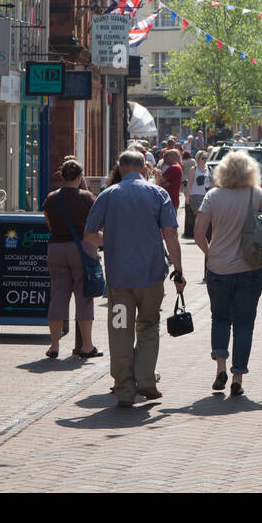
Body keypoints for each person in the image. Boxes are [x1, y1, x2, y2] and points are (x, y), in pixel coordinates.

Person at [83, 150, 184, 407]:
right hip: (151, 276)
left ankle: (125, 388)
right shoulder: (157, 194)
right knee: (149, 326)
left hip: (119, 280)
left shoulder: (108, 195)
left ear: (120, 167)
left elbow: (89, 234)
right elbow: (170, 234)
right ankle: (147, 379)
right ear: (144, 168)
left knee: (120, 330)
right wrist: (179, 270)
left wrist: (109, 242)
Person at [193, 151, 262, 397]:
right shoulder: (257, 194)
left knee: (219, 317)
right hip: (250, 267)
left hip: (219, 267)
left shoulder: (212, 196)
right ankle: (237, 377)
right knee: (244, 323)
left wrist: (209, 254)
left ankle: (220, 366)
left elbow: (199, 232)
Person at [41, 157, 100, 360]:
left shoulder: (51, 198)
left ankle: (54, 345)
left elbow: (49, 225)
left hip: (56, 248)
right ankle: (87, 346)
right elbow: (95, 224)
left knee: (58, 296)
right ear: (80, 176)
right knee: (84, 298)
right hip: (82, 249)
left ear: (62, 176)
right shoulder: (87, 197)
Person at [159, 148, 184, 216]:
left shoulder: (173, 167)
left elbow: (159, 181)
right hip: (172, 200)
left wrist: (162, 182)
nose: (164, 158)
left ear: (173, 157)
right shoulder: (177, 166)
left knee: (169, 224)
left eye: (166, 156)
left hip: (170, 200)